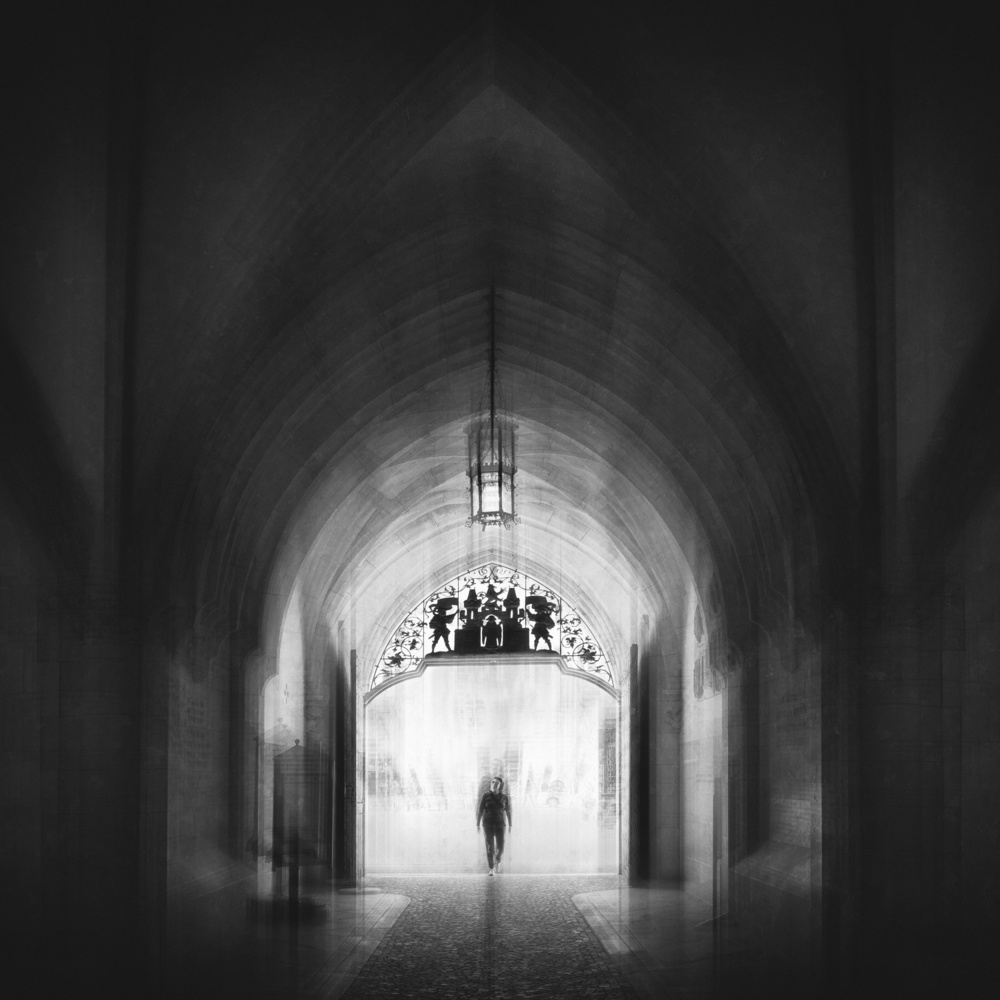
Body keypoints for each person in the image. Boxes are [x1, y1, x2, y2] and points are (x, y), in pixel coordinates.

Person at [476, 775, 512, 875]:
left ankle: (498, 860)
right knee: (489, 847)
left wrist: (510, 825)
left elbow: (508, 811)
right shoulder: (485, 796)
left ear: (500, 785)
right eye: (492, 782)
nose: (494, 784)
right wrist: (478, 824)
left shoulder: (504, 797)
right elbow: (480, 810)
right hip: (487, 825)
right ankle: (491, 868)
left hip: (500, 825)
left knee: (500, 845)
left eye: (496, 782)